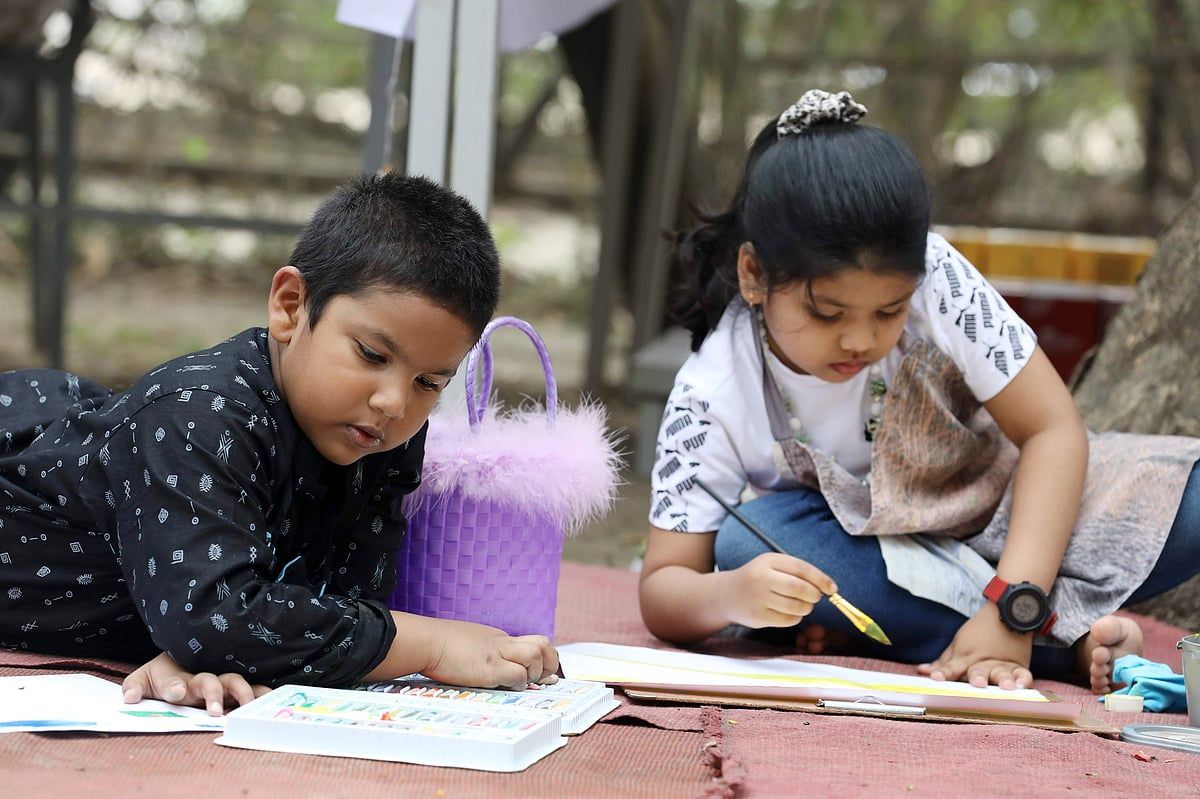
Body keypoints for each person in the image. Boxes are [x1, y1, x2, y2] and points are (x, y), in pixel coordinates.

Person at [638, 89, 1200, 693]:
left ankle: (1003, 628)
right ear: (754, 274)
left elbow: (1052, 429)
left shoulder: (939, 277)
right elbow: (663, 586)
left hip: (1010, 519)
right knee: (755, 539)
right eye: (827, 312)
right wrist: (732, 595)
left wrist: (1015, 599)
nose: (860, 338)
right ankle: (1063, 646)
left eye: (890, 311)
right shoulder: (712, 390)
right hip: (880, 562)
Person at [0, 172, 559, 714]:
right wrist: (431, 646)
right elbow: (217, 616)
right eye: (371, 354)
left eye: (429, 382)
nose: (394, 401)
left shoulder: (381, 435)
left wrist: (195, 648)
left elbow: (342, 602)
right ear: (291, 306)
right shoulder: (197, 417)